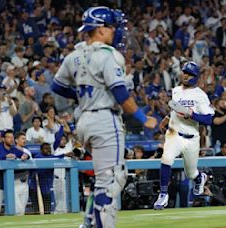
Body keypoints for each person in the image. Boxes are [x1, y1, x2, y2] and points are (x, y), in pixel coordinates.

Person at [51, 6, 157, 228]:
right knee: (112, 179)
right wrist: (141, 117)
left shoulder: (74, 55)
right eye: (111, 27)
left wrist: (81, 97)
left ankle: (88, 224)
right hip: (104, 121)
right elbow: (121, 94)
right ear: (100, 29)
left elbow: (57, 86)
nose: (115, 31)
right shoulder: (107, 56)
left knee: (103, 180)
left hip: (84, 122)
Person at [153, 61, 215, 210]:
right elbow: (176, 109)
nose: (185, 75)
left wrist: (192, 115)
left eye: (189, 73)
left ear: (195, 77)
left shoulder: (200, 95)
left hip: (192, 137)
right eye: (184, 72)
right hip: (174, 134)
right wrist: (167, 118)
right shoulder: (176, 90)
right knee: (166, 159)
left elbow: (209, 119)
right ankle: (163, 194)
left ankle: (200, 177)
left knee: (191, 173)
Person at [0, 129, 25, 217]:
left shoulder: (13, 149)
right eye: (8, 137)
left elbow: (24, 154)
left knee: (12, 209)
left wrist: (24, 156)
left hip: (7, 185)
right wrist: (5, 156)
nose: (11, 139)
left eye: (12, 137)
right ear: (3, 139)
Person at [13, 132, 31, 216]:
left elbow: (32, 165)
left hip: (25, 182)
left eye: (25, 138)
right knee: (17, 209)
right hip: (14, 183)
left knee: (22, 210)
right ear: (16, 140)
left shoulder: (27, 151)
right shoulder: (11, 150)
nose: (24, 140)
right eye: (22, 138)